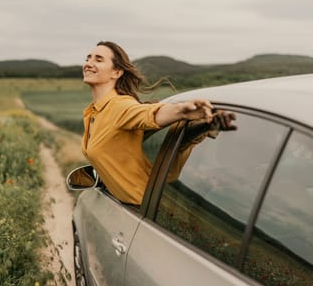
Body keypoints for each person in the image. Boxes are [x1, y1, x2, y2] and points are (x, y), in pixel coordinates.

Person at [81, 40, 218, 205]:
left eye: (98, 59)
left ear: (116, 72)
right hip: (126, 206)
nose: (88, 63)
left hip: (142, 209)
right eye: (88, 58)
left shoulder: (119, 106)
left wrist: (181, 110)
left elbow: (147, 113)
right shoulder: (93, 112)